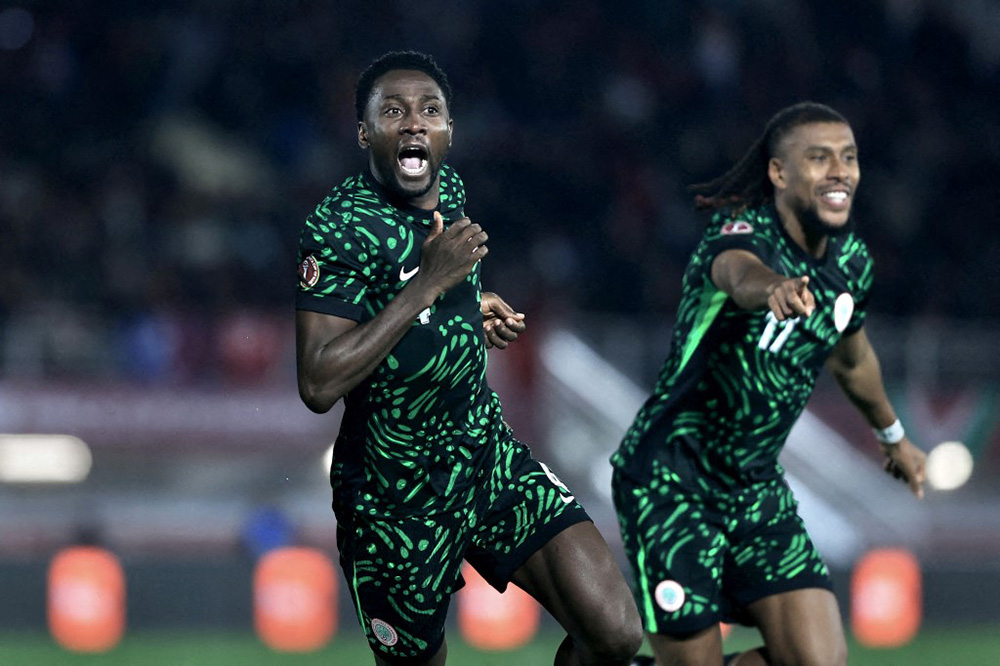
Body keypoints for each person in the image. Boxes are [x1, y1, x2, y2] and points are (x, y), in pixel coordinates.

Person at [295, 51, 642, 666]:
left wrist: (466, 306)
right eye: (393, 111)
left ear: (449, 131)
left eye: (430, 111)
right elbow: (319, 380)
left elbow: (435, 300)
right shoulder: (338, 227)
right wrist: (428, 286)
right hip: (394, 492)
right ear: (364, 132)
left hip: (484, 454)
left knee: (615, 632)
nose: (413, 123)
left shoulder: (448, 190)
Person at [611, 102, 927, 666]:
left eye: (848, 158)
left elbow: (852, 360)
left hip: (755, 490)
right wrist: (773, 288)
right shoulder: (738, 232)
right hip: (671, 481)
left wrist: (893, 436)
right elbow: (738, 272)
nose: (840, 170)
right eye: (819, 157)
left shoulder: (851, 263)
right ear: (780, 173)